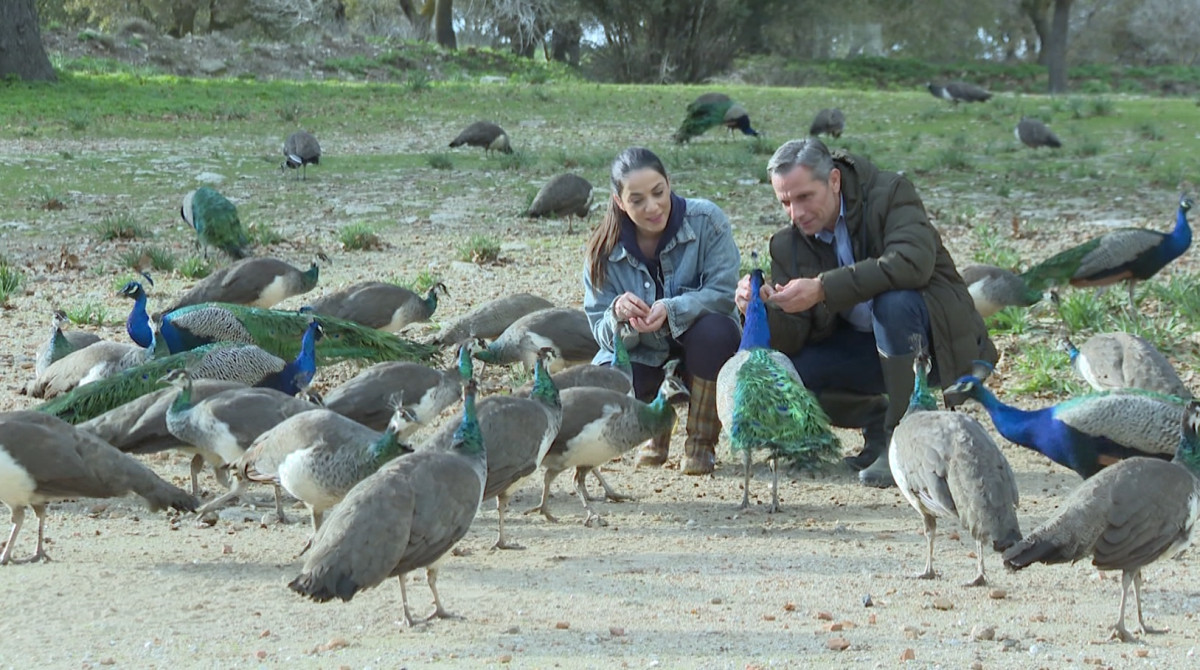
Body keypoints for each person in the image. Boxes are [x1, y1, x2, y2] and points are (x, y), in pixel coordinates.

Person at [736, 137, 996, 488]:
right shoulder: (787, 244)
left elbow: (911, 264)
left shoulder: (890, 193)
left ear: (834, 181)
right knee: (790, 372)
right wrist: (760, 307)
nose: (795, 214)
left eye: (804, 197)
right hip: (863, 350)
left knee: (894, 303)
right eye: (785, 202)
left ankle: (903, 439)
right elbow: (792, 337)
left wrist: (823, 288)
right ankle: (878, 423)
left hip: (933, 343)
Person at [584, 147, 741, 475]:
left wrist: (672, 309)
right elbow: (599, 330)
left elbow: (724, 293)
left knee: (718, 332)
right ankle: (654, 431)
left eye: (658, 193)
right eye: (637, 199)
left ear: (670, 183)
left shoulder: (707, 220)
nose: (652, 207)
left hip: (699, 346)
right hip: (642, 353)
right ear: (619, 201)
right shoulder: (601, 250)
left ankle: (701, 443)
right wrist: (618, 316)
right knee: (606, 381)